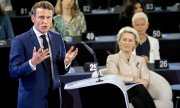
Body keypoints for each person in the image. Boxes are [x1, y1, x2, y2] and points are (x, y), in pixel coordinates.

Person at [9, 1, 78, 108]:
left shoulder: (57, 37)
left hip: (54, 100)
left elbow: (61, 71)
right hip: (32, 101)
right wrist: (32, 63)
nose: (45, 21)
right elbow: (13, 72)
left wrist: (66, 62)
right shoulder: (20, 40)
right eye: (41, 17)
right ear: (33, 18)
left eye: (48, 17)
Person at [106, 26, 156, 108]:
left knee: (137, 100)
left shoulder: (140, 60)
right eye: (124, 40)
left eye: (130, 40)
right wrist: (135, 79)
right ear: (119, 42)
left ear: (135, 44)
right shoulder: (112, 58)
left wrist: (138, 82)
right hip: (119, 91)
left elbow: (145, 80)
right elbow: (115, 77)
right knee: (139, 87)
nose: (127, 43)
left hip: (136, 93)